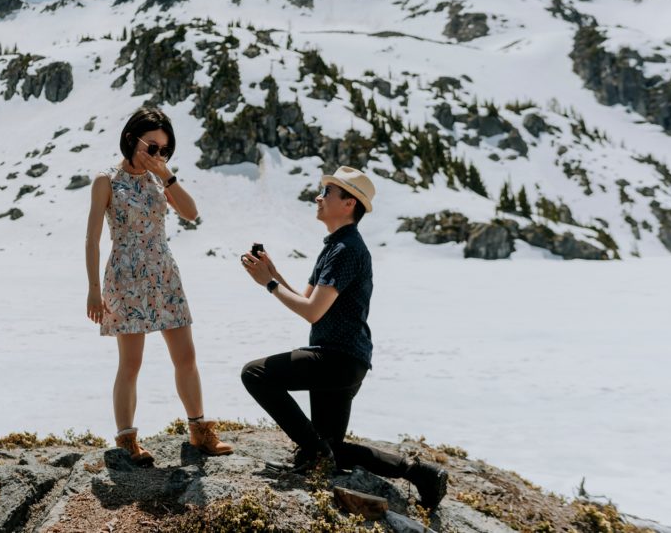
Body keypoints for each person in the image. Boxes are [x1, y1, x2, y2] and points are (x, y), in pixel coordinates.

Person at [239, 166, 448, 509]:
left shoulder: (347, 249)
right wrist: (272, 272)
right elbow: (309, 302)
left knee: (255, 374)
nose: (318, 198)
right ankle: (421, 474)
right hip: (345, 360)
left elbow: (311, 313)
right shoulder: (336, 246)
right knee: (333, 445)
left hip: (336, 358)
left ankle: (314, 453)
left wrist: (270, 284)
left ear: (349, 203)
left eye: (327, 193)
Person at [85, 106, 232, 465]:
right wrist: (92, 289)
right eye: (152, 147)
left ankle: (199, 432)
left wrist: (166, 174)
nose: (158, 155)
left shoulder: (159, 179)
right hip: (126, 276)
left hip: (164, 273)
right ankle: (126, 440)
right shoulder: (106, 180)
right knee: (131, 363)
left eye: (164, 149)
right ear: (132, 138)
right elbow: (92, 239)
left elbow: (191, 212)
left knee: (186, 356)